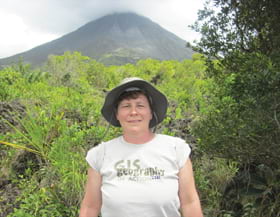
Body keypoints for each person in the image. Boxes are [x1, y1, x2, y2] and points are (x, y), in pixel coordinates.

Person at [79, 77, 203, 217]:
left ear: (151, 113)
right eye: (126, 106)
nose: (133, 112)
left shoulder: (176, 149)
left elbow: (190, 203)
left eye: (140, 106)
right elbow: (90, 207)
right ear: (117, 114)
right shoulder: (99, 154)